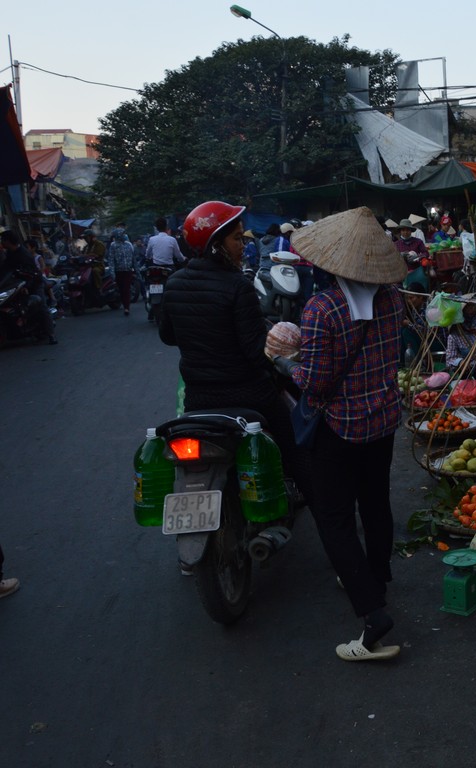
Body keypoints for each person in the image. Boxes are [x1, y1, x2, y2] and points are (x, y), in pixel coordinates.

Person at [268, 206, 407, 663]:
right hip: (383, 421)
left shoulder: (321, 308)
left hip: (339, 430)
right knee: (375, 501)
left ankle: (372, 615)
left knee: (334, 518)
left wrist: (286, 363)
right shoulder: (392, 299)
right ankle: (377, 576)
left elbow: (318, 381)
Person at [159, 201, 307, 507]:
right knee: (294, 440)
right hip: (248, 394)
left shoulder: (173, 284)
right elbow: (255, 352)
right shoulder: (238, 286)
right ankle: (304, 491)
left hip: (198, 397)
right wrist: (281, 368)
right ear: (216, 245)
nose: (244, 245)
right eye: (237, 238)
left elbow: (168, 336)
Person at [0, 230, 56, 344]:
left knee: (41, 306)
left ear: (8, 241)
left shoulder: (24, 255)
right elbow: (5, 270)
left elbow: (33, 274)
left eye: (3, 240)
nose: (1, 242)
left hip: (34, 283)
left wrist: (27, 286)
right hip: (17, 284)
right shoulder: (10, 253)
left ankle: (51, 334)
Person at [107, 226, 137, 316]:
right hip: (118, 271)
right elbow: (111, 260)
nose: (125, 235)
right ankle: (125, 305)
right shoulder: (113, 246)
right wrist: (112, 273)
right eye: (123, 234)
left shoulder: (128, 245)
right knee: (121, 289)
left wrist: (136, 270)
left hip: (128, 270)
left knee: (126, 289)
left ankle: (126, 308)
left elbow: (133, 259)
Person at [395, 219, 430, 291]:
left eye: (407, 230)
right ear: (400, 231)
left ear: (411, 231)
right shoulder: (396, 244)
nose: (405, 232)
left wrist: (417, 257)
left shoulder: (418, 242)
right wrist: (400, 256)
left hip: (417, 271)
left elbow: (426, 253)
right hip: (402, 273)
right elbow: (392, 257)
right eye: (403, 230)